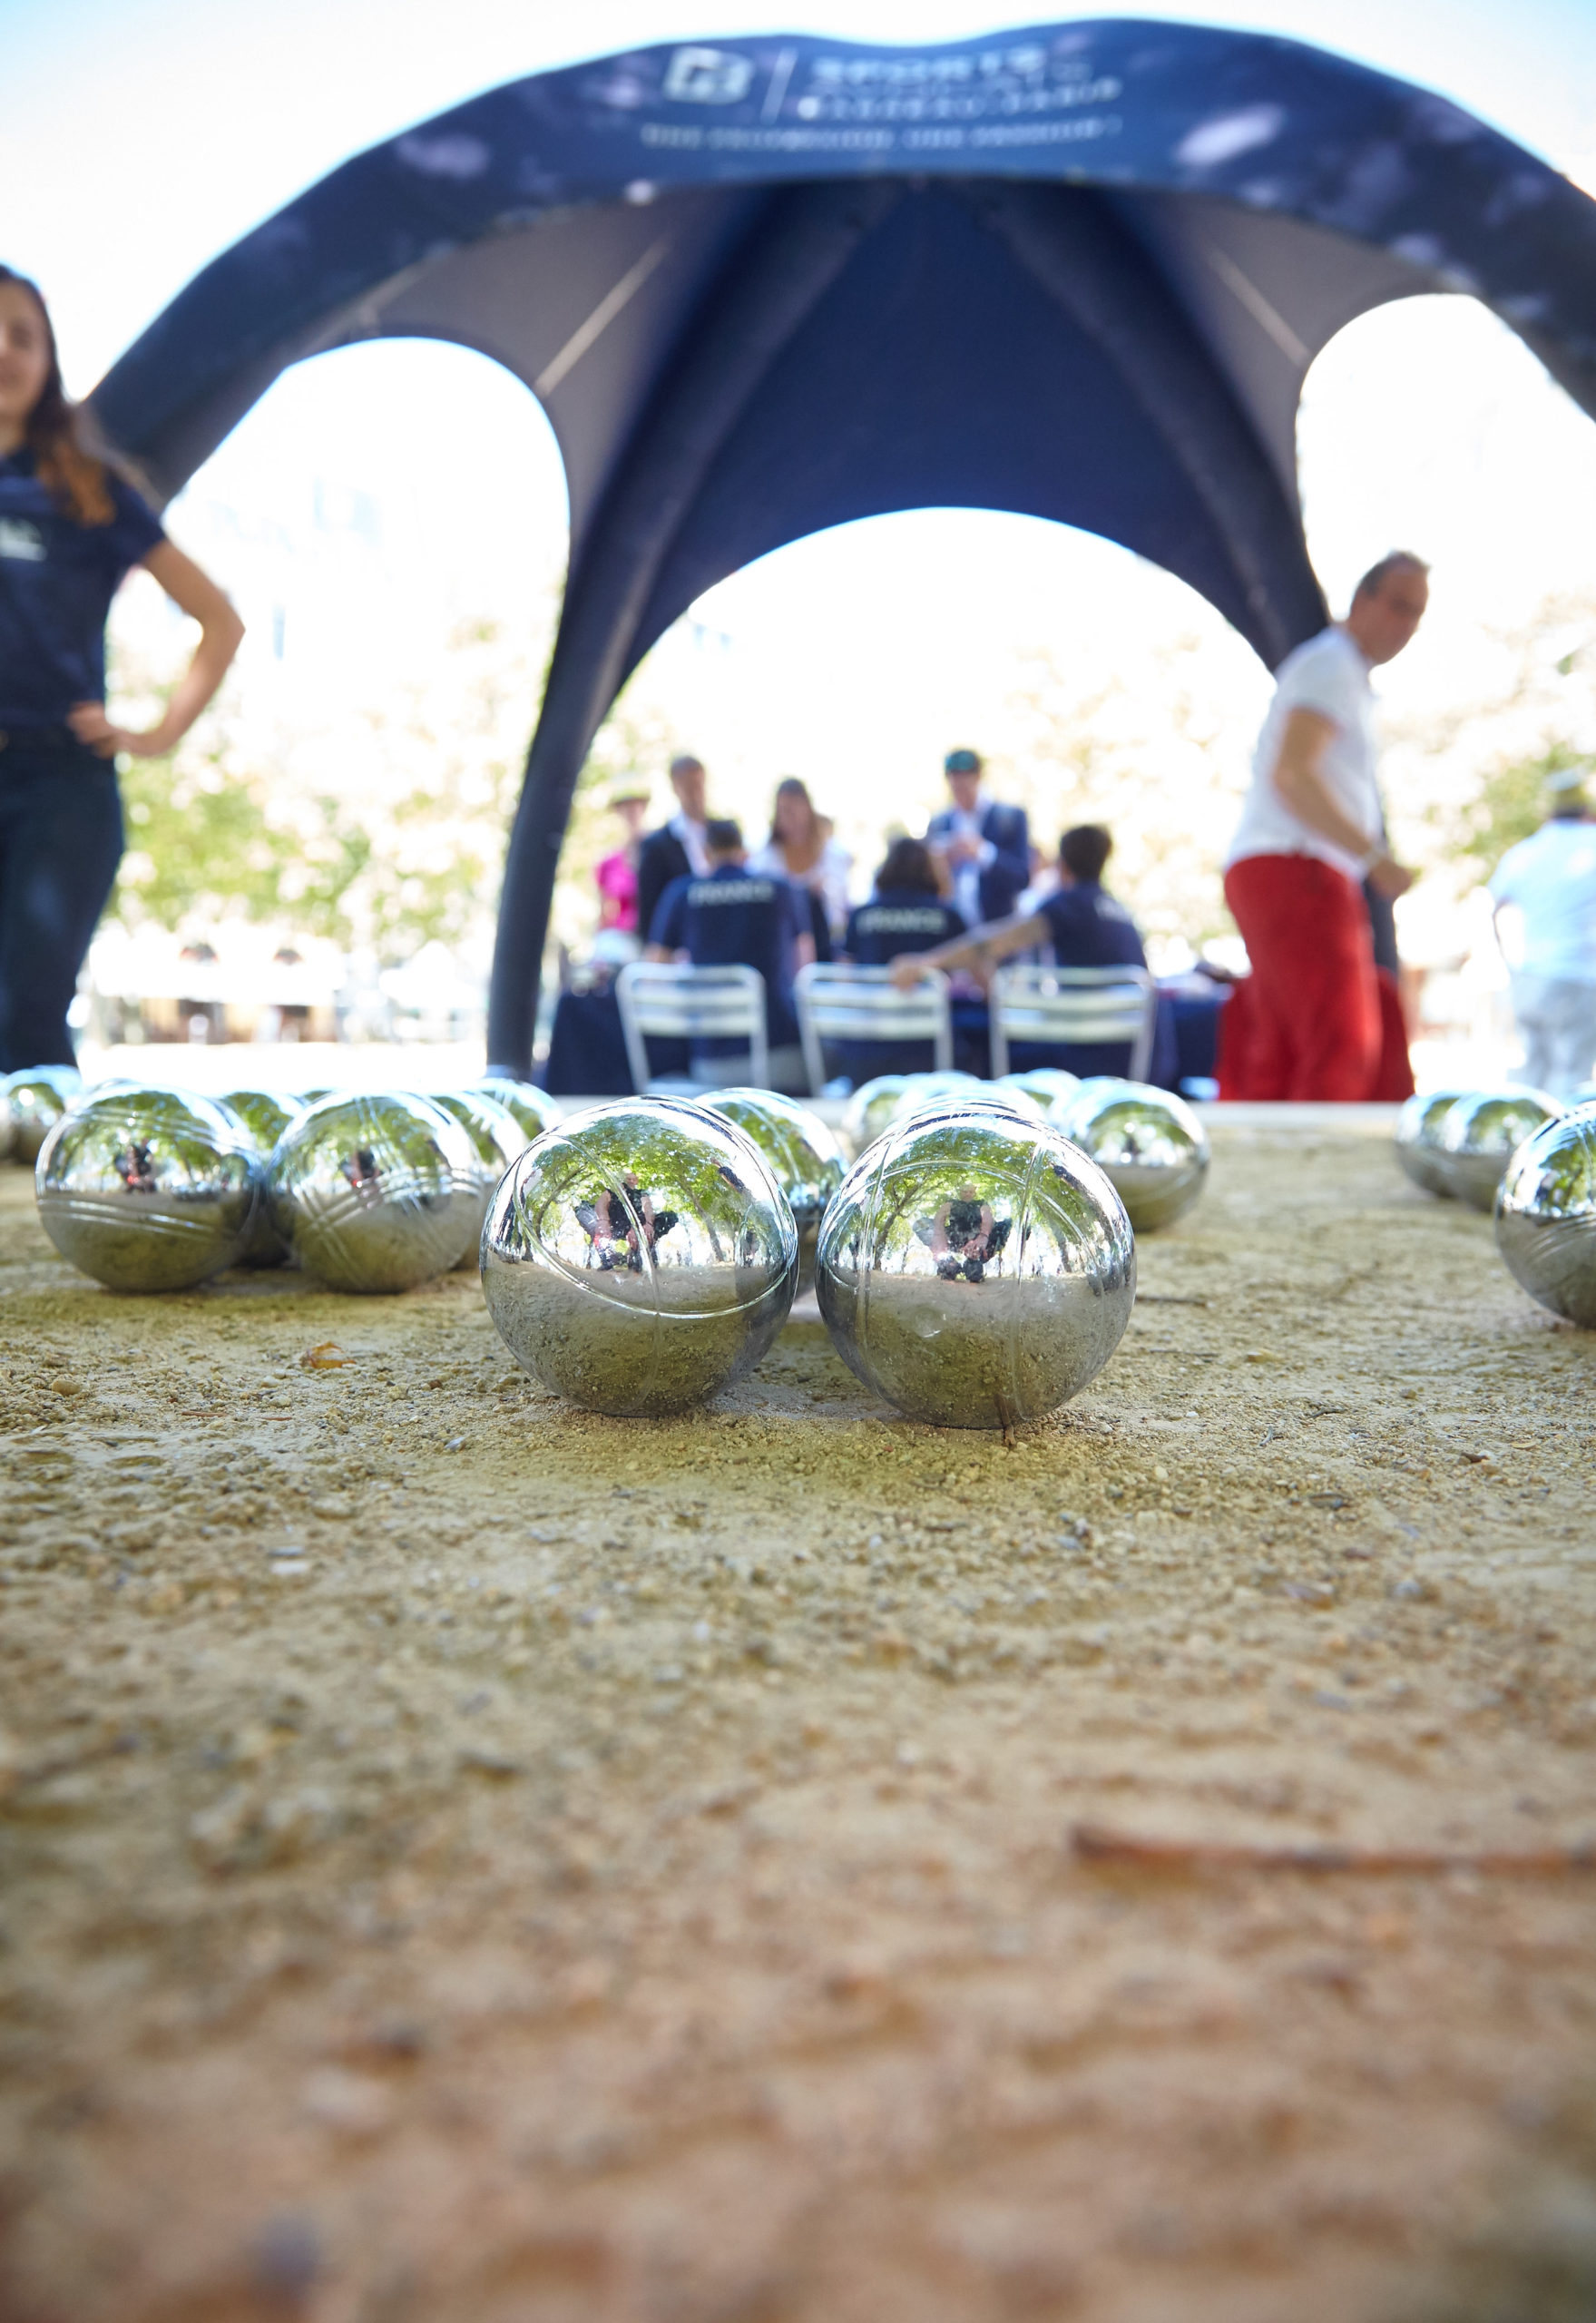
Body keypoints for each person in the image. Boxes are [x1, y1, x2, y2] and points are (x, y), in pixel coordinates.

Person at [0, 267, 243, 1070]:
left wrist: (154, 732)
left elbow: (219, 619)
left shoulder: (89, 491)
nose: (5, 349)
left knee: (26, 1018)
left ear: (49, 362)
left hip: (61, 786)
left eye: (23, 335)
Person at [1219, 554, 1426, 1102]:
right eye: (1399, 606)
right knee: (1343, 1043)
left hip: (1281, 866)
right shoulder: (1332, 665)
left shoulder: (1336, 669)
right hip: (1297, 865)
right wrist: (1374, 856)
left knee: (1283, 1047)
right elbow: (1294, 773)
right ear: (1362, 601)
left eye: (1417, 614)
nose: (1406, 625)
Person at [888, 821, 1169, 1079]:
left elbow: (991, 944)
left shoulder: (1065, 906)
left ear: (1062, 865)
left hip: (1090, 1058)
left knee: (987, 1049)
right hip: (1141, 1058)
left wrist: (927, 962)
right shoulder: (1118, 910)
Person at [645, 818, 815, 1081]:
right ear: (743, 850)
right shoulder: (780, 888)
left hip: (712, 1063)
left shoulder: (682, 893)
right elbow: (805, 965)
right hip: (782, 1057)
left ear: (705, 852)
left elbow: (654, 972)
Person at [1489, 765, 1596, 1097]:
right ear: (1587, 812)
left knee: (1529, 1081)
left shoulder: (1525, 851)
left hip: (1531, 978)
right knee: (1571, 1079)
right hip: (1579, 977)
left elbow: (1492, 910)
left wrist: (1511, 969)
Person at [925, 748, 1030, 926]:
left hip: (998, 932)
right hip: (951, 932)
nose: (958, 783)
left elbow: (1022, 878)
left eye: (965, 775)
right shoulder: (939, 823)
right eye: (953, 776)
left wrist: (982, 852)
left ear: (978, 776)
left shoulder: (1009, 818)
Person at [747, 776, 852, 939]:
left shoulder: (835, 855)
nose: (792, 819)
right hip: (781, 943)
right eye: (785, 811)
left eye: (796, 810)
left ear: (809, 809)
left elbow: (843, 908)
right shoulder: (763, 859)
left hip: (829, 944)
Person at [843, 837, 966, 965]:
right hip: (932, 985)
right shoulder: (948, 916)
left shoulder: (861, 915)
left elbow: (846, 969)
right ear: (930, 869)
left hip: (873, 986)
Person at [634, 754, 710, 946]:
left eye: (699, 785)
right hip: (678, 948)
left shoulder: (723, 833)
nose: (696, 794)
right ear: (675, 787)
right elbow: (649, 908)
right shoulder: (657, 845)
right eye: (688, 786)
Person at [594, 787, 650, 935]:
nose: (631, 812)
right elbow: (604, 909)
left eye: (635, 806)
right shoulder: (608, 862)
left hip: (655, 935)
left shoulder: (658, 851)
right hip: (623, 936)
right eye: (625, 808)